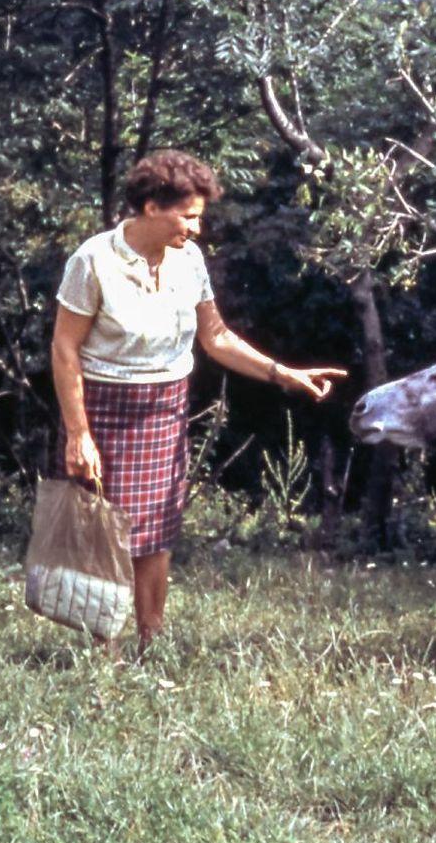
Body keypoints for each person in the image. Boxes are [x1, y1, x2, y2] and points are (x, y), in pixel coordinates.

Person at [51, 149, 347, 648]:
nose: (196, 229)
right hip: (104, 405)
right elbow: (64, 348)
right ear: (150, 206)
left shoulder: (189, 260)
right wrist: (79, 434)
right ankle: (101, 656)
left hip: (166, 406)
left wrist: (282, 374)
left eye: (198, 218)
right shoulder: (94, 260)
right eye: (188, 216)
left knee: (156, 533)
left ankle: (153, 643)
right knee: (103, 533)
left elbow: (217, 338)